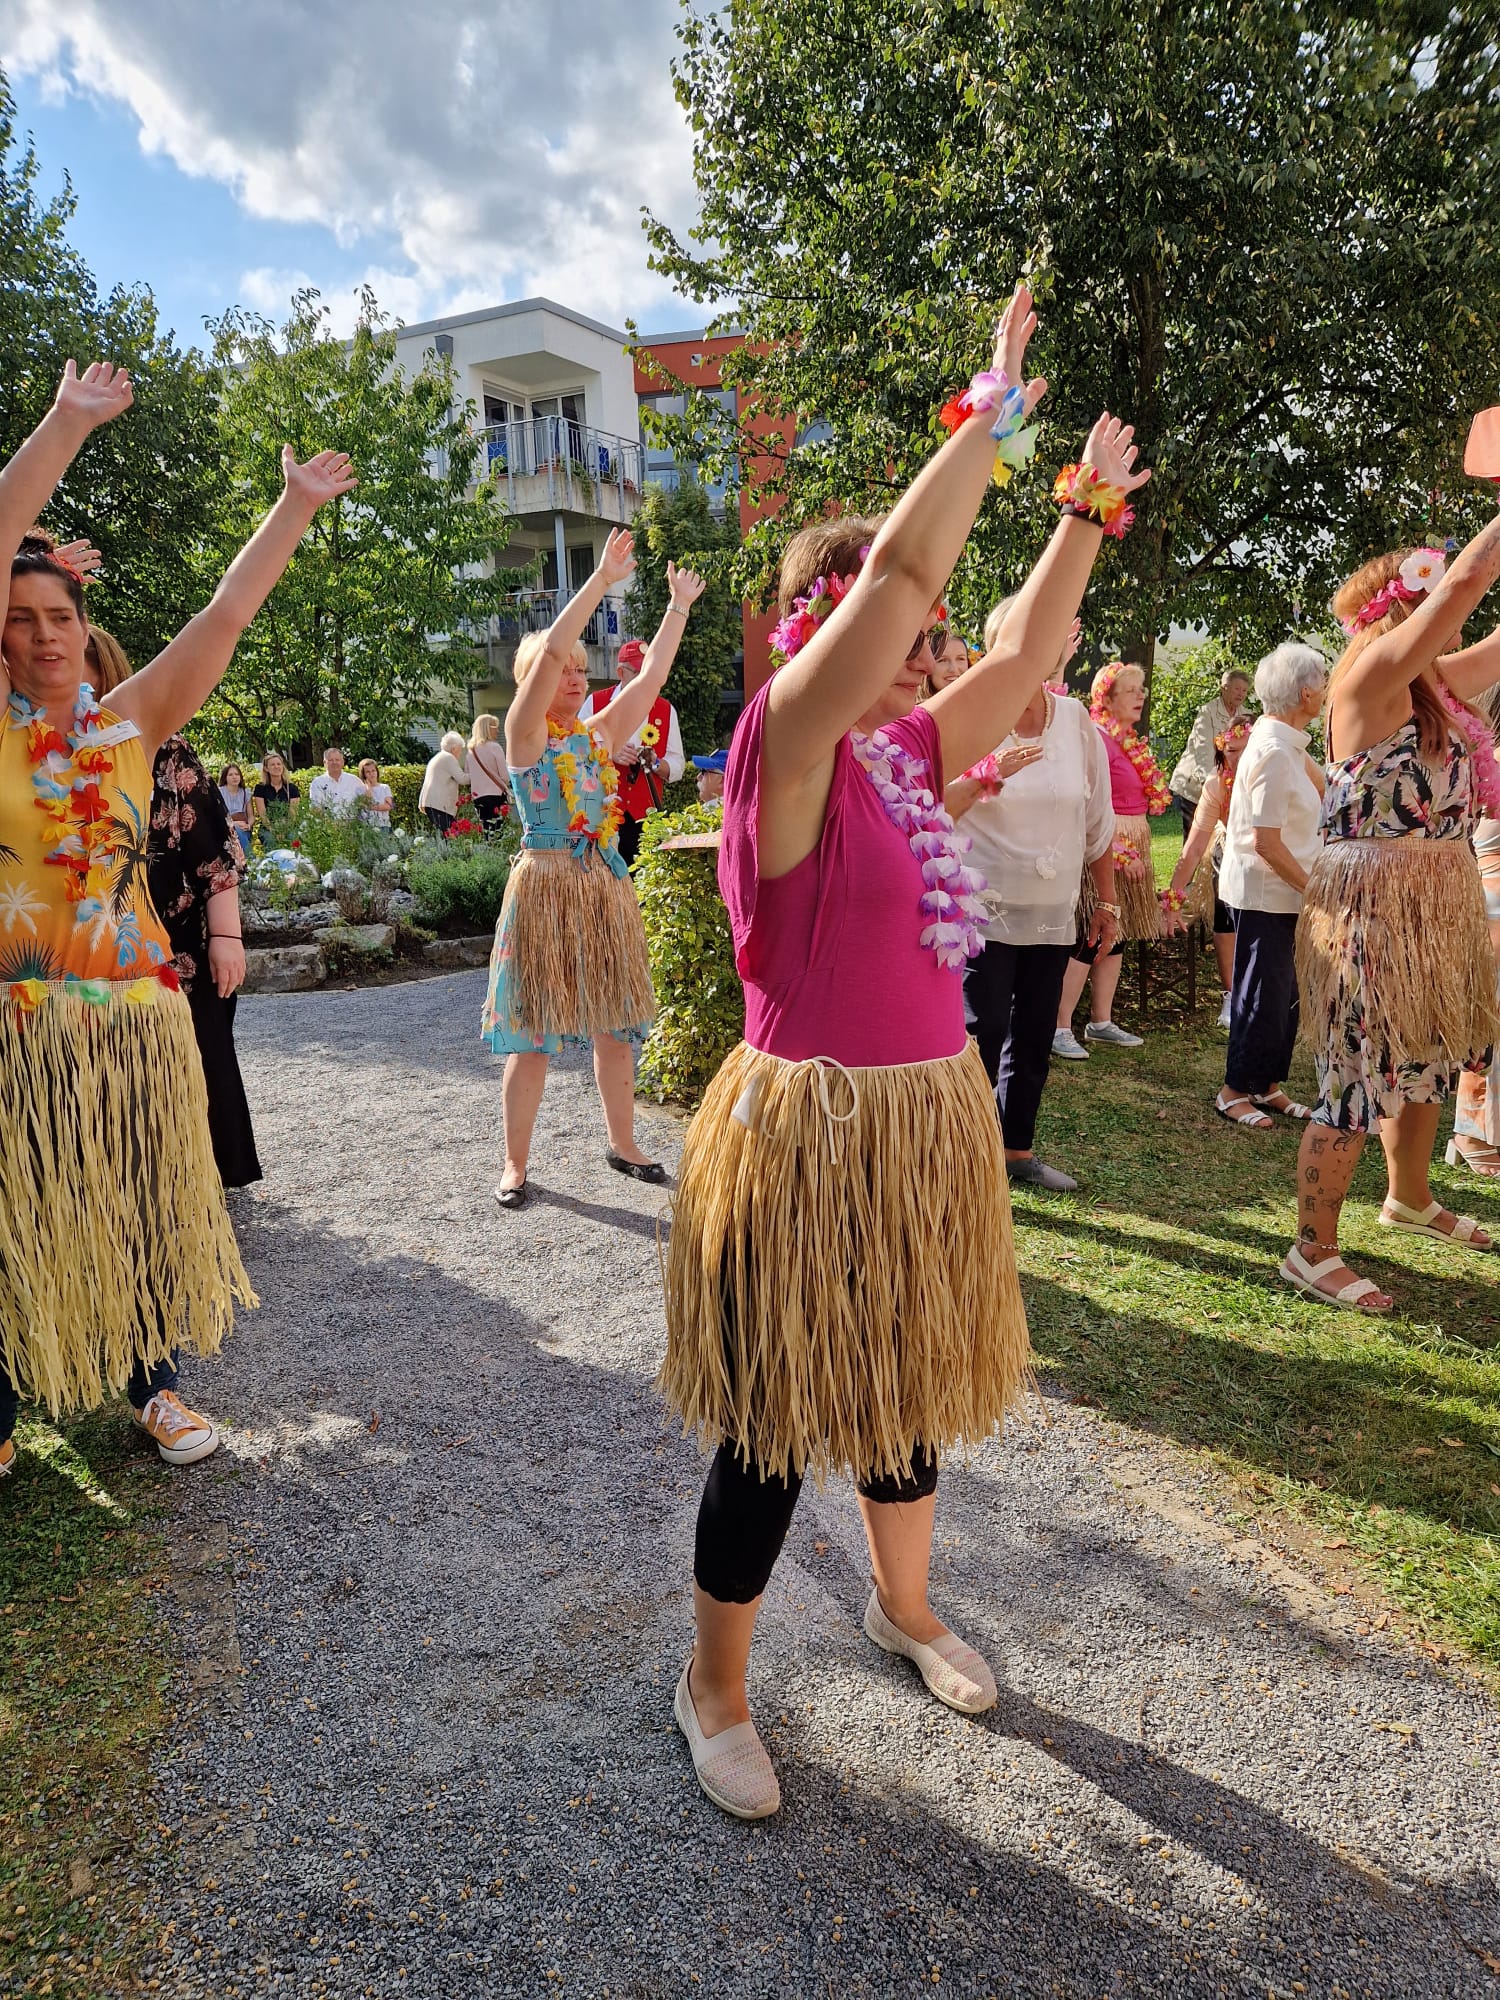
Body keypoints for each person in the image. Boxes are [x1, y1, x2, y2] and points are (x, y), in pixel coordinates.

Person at [662, 286, 1151, 1820]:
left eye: (932, 643)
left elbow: (1026, 651)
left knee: (902, 1393)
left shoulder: (903, 751)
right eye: (908, 636)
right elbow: (910, 569)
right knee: (770, 1425)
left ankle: (905, 1608)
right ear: (828, 632)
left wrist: (1083, 511)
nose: (936, 654)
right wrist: (987, 408)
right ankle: (716, 1685)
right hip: (808, 1133)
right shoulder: (784, 750)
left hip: (923, 1122)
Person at [0, 358, 353, 1483]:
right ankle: (5, 1399)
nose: (47, 636)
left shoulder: (130, 723)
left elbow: (228, 611)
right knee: (20, 1206)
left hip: (136, 1020)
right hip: (20, 1018)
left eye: (61, 615)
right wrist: (64, 425)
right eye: (22, 619)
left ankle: (151, 1385)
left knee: (145, 1202)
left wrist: (292, 505)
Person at [1284, 536, 1500, 1313]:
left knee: (1429, 1052)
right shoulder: (1372, 677)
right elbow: (1470, 579)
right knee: (1354, 1073)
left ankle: (1410, 1199)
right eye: (1432, 601)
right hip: (1373, 904)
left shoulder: (1432, 686)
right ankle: (1311, 1250)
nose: (1454, 618)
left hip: (1437, 901)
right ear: (1404, 609)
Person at [483, 536, 706, 1207]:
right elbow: (550, 648)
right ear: (536, 682)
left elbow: (651, 681)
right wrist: (603, 580)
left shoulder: (597, 735)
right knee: (535, 1038)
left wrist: (676, 610)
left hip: (602, 887)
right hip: (546, 885)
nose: (576, 678)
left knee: (613, 1026)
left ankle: (625, 1142)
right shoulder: (525, 736)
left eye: (583, 671)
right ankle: (516, 1164)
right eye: (565, 670)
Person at [89, 632, 265, 1194]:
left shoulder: (167, 751)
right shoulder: (42, 752)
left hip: (182, 941)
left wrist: (228, 936)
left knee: (203, 1058)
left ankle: (205, 1183)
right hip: (97, 952)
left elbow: (214, 855)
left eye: (91, 669)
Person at [947, 603, 1115, 1192]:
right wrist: (984, 775)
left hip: (1052, 911)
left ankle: (1016, 1150)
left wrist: (1108, 901)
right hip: (980, 910)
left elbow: (1097, 822)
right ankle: (965, 1155)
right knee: (981, 1030)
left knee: (1036, 1033)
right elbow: (934, 804)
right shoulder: (967, 711)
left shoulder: (1075, 721)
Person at [1208, 643, 1327, 1131]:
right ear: (1305, 692)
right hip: (1269, 892)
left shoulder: (1288, 741)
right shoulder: (1275, 750)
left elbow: (1329, 784)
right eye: (1322, 683)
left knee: (1285, 994)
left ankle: (1267, 1084)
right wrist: (1315, 890)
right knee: (1261, 991)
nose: (1325, 692)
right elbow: (1265, 842)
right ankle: (1234, 1089)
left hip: (1288, 894)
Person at [1053, 661, 1168, 1056]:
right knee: (1090, 934)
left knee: (1115, 938)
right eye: (1132, 690)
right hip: (1110, 847)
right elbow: (1089, 805)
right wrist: (1119, 852)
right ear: (1108, 697)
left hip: (1136, 839)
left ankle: (1100, 1020)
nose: (1141, 697)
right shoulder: (1098, 739)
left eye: (1142, 690)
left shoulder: (1129, 741)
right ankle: (1060, 1025)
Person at [1160, 718, 1252, 1028]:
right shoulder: (1217, 784)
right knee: (1226, 922)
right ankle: (1231, 995)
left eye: (1245, 749)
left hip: (1274, 856)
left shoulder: (1280, 773)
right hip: (1230, 852)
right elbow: (1194, 846)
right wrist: (1174, 897)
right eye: (1231, 750)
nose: (1237, 757)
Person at [580, 635, 687, 865]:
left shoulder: (666, 710)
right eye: (638, 674)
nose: (644, 681)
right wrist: (610, 752)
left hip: (645, 818)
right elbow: (575, 751)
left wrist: (656, 763)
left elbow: (678, 765)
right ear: (621, 672)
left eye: (648, 673)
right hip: (603, 815)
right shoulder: (595, 703)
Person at [1170, 666, 1252, 837]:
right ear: (1224, 688)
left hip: (1228, 787)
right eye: (1237, 688)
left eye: (1244, 690)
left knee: (1222, 839)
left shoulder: (1246, 715)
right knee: (1196, 839)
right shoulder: (1207, 712)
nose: (1241, 694)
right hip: (1196, 786)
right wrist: (1212, 784)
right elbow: (1203, 752)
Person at [467, 713, 511, 831]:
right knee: (498, 830)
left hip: (478, 797)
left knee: (486, 829)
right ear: (487, 728)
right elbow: (505, 776)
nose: (497, 730)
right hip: (495, 795)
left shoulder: (471, 750)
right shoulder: (495, 747)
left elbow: (468, 774)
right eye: (495, 727)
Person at [418, 732, 468, 835]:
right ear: (454, 748)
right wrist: (479, 775)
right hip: (439, 805)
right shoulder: (448, 758)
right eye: (460, 749)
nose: (461, 752)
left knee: (449, 836)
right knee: (452, 836)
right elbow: (462, 779)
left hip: (433, 804)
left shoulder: (439, 756)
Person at [308, 745, 365, 814]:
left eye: (337, 760)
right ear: (324, 763)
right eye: (331, 760)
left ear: (342, 762)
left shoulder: (355, 781)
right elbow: (315, 809)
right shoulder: (317, 783)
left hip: (352, 823)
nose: (334, 762)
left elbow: (364, 804)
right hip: (327, 823)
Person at [252, 749, 299, 825]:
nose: (276, 767)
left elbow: (292, 816)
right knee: (269, 837)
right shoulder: (260, 788)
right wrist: (273, 830)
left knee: (291, 836)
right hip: (268, 827)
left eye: (279, 764)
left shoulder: (292, 788)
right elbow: (263, 816)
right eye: (272, 764)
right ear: (266, 768)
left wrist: (283, 831)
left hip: (288, 827)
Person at [219, 761, 253, 855]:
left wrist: (248, 825)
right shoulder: (219, 793)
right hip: (225, 828)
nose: (234, 777)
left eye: (237, 774)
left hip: (243, 828)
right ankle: (251, 858)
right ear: (225, 777)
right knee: (236, 829)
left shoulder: (246, 793)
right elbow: (216, 817)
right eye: (230, 775)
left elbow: (251, 816)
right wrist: (233, 823)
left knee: (239, 830)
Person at [357, 757, 393, 826]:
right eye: (368, 772)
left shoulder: (385, 787)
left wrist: (371, 807)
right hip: (367, 825)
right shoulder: (359, 790)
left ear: (377, 771)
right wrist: (368, 788)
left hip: (383, 825)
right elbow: (364, 805)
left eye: (373, 771)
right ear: (363, 774)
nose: (371, 774)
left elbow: (388, 806)